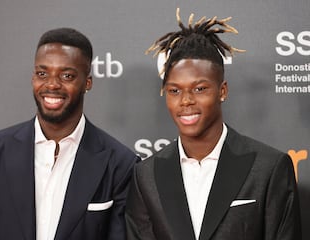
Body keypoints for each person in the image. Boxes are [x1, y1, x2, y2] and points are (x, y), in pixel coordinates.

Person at [125, 8, 302, 240]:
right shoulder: (145, 176)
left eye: (200, 89)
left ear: (222, 91)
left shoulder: (269, 168)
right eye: (175, 90)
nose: (186, 101)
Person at [0, 27, 139, 240]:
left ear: (87, 83)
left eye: (67, 75)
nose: (52, 84)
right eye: (42, 74)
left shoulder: (120, 163)